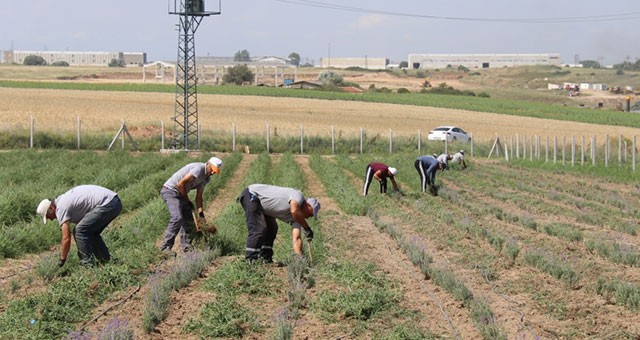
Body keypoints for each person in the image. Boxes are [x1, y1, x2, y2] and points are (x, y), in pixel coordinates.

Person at [36, 185, 122, 267]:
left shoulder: (60, 208)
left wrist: (62, 259)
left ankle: (88, 265)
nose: (50, 219)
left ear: (51, 208)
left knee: (79, 231)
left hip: (107, 204)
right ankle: (105, 261)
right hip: (113, 201)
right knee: (90, 232)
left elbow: (66, 237)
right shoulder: (62, 200)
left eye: (48, 216)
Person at [237, 184, 320, 263]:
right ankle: (250, 261)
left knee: (272, 228)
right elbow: (294, 210)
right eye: (310, 214)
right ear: (308, 205)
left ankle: (265, 258)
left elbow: (297, 239)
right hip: (252, 195)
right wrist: (306, 228)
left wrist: (299, 259)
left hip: (263, 208)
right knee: (259, 229)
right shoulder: (298, 195)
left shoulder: (296, 219)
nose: (308, 217)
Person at [159, 156, 223, 254]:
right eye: (212, 169)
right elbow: (180, 184)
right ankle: (165, 248)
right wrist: (187, 201)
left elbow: (199, 197)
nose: (213, 172)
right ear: (208, 164)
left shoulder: (206, 178)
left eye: (215, 171)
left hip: (181, 193)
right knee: (177, 217)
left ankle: (187, 249)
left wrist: (201, 215)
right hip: (170, 191)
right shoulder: (199, 169)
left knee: (189, 220)